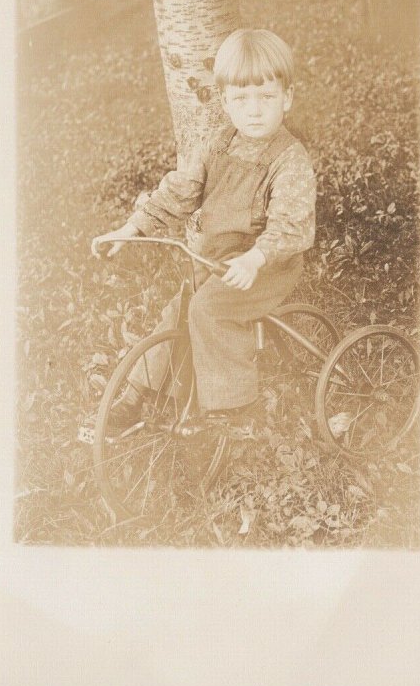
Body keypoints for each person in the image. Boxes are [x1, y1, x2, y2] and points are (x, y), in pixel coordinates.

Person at [91, 28, 316, 429]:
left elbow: (290, 225)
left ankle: (235, 409)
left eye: (266, 97)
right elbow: (181, 190)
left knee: (210, 309)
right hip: (217, 260)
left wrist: (255, 258)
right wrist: (130, 229)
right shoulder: (218, 144)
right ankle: (141, 393)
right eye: (241, 99)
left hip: (267, 266)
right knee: (178, 310)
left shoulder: (289, 160)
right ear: (226, 102)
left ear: (288, 98)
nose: (255, 110)